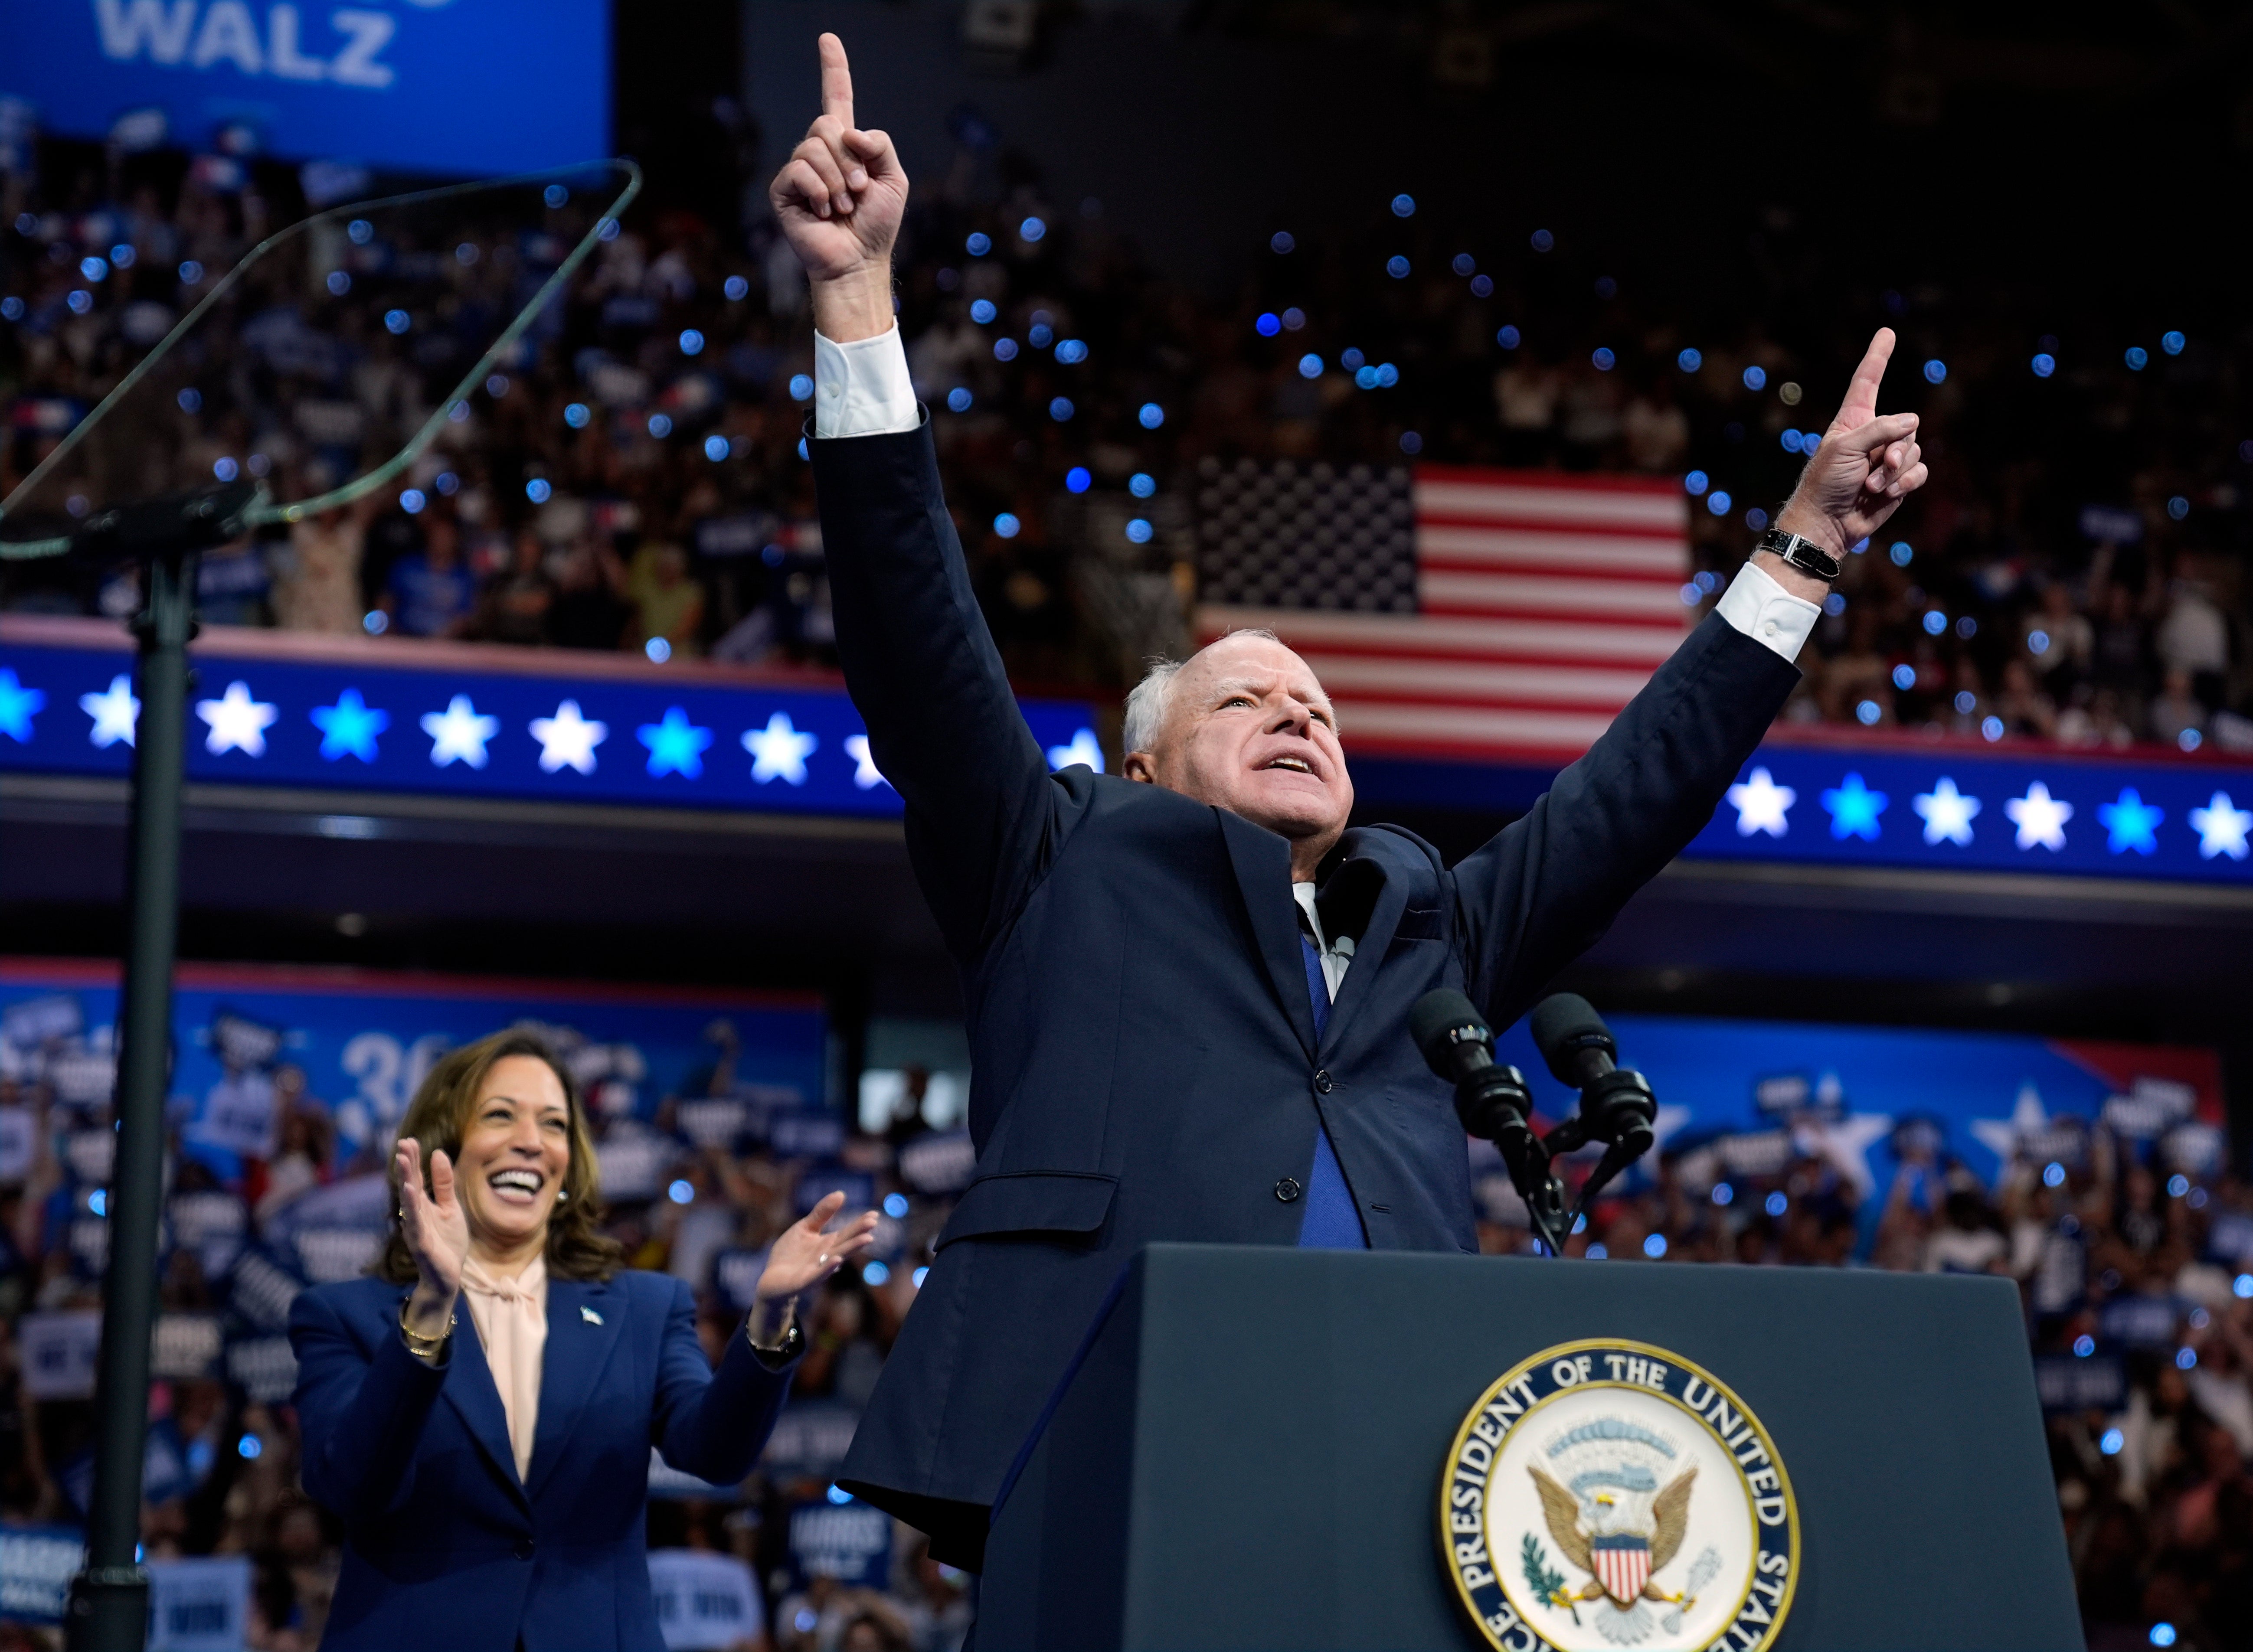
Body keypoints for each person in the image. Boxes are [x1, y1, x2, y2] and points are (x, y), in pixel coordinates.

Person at [773, 33, 1929, 1565]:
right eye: (1243, 697)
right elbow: (918, 643)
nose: (1296, 711)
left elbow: (1635, 790)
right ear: (1138, 765)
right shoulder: (1053, 855)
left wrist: (1798, 544)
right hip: (1097, 1447)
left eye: (1315, 705)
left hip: (1403, 1471)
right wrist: (855, 298)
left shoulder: (1423, 926)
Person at [287, 1029, 879, 1649]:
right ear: (445, 1146)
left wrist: (769, 1318)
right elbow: (354, 1486)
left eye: (553, 1124)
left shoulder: (645, 1308)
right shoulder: (339, 1316)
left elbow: (714, 1452)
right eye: (500, 1115)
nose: (530, 1141)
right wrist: (433, 1303)